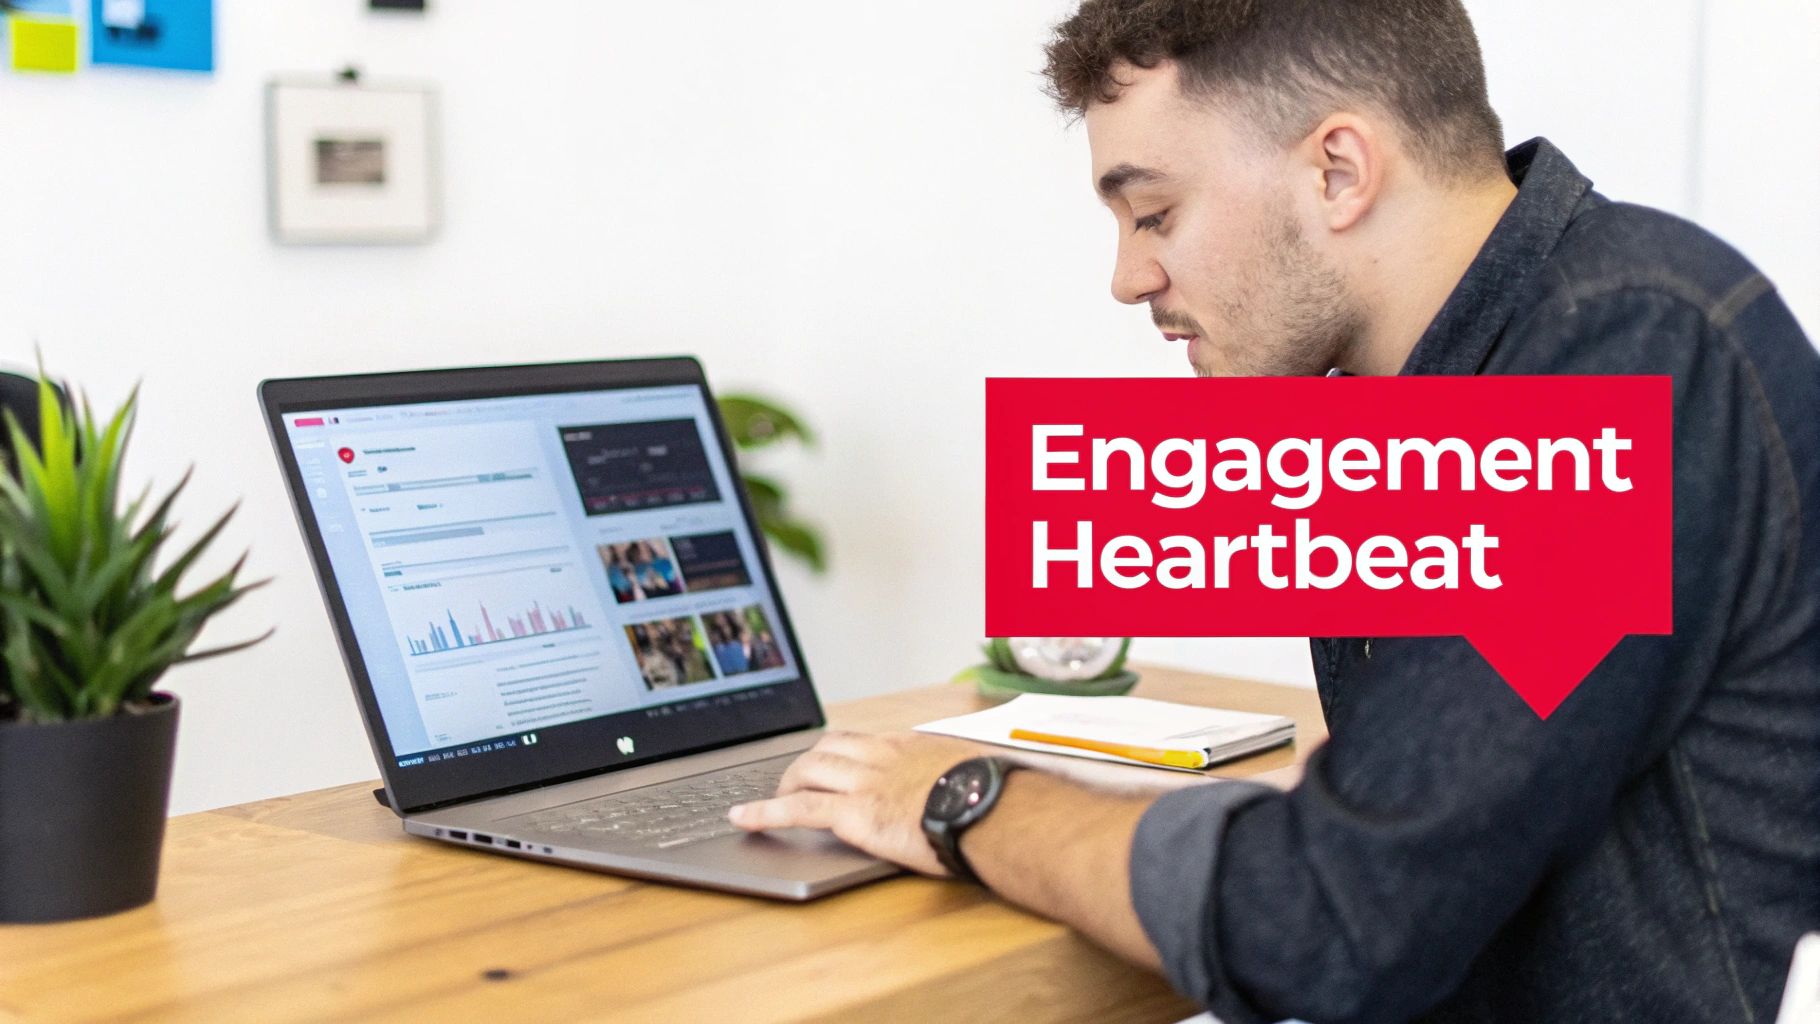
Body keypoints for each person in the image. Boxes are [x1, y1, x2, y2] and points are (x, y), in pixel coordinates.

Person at [728, 1, 1820, 1021]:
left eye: (1153, 211)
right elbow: (1415, 804)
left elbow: (1333, 918)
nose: (1126, 275)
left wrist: (965, 799)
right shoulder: (1445, 388)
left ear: (1338, 170)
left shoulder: (1620, 370)